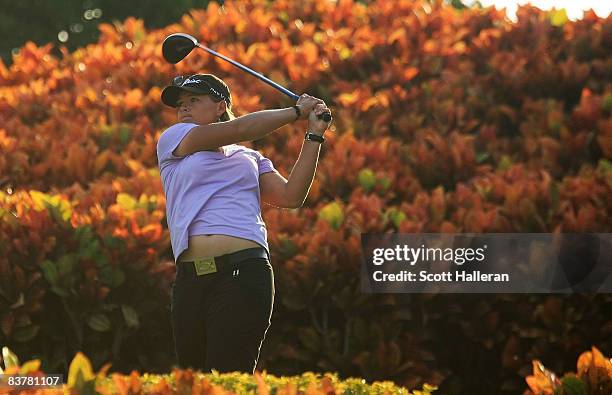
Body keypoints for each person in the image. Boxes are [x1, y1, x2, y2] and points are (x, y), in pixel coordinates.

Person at [156, 73, 331, 374]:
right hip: (191, 279)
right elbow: (239, 128)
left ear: (220, 105)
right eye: (180, 104)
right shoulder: (174, 140)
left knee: (230, 375)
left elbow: (291, 196)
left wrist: (313, 134)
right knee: (193, 382)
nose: (183, 108)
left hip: (245, 272)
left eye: (194, 100)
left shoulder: (249, 158)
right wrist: (295, 112)